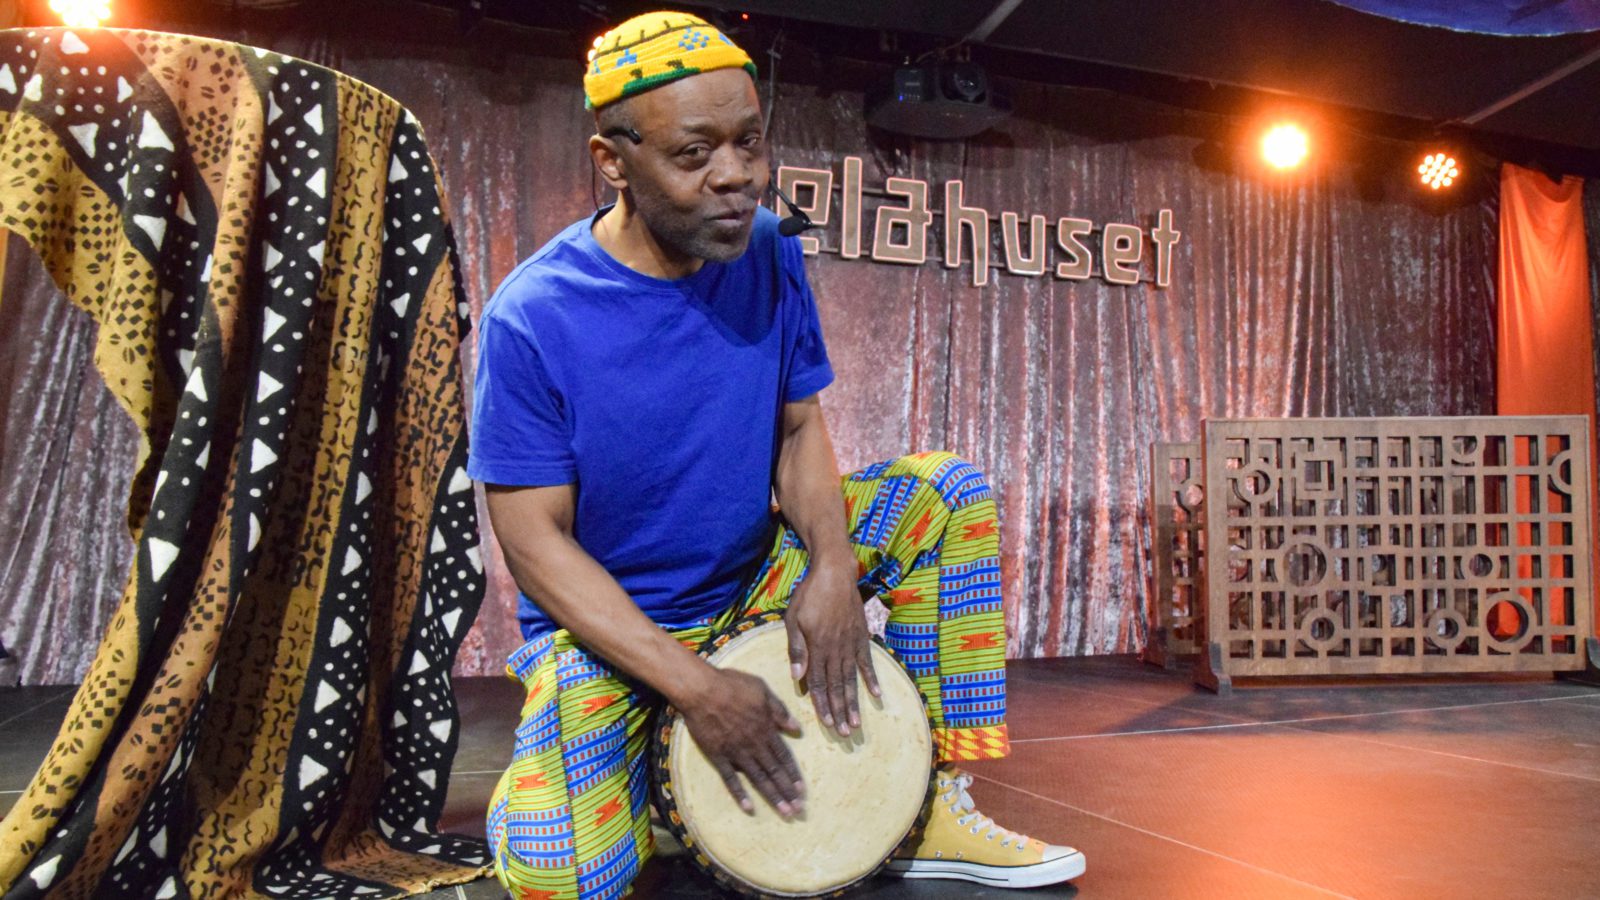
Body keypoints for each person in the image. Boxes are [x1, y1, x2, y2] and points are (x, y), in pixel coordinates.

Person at [468, 11, 1085, 898]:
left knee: (946, 495)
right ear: (612, 162)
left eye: (749, 144)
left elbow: (799, 427)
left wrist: (831, 565)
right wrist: (696, 688)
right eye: (693, 155)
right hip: (613, 631)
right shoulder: (531, 317)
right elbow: (534, 545)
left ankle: (936, 805)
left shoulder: (763, 247)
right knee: (559, 871)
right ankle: (628, 779)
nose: (736, 178)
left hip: (752, 575)